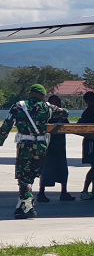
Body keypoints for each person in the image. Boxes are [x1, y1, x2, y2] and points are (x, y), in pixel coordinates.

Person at [0, 84, 69, 219]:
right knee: (31, 174)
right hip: (41, 146)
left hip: (25, 145)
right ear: (42, 96)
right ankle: (22, 203)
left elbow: (7, 124)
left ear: (30, 94)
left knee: (23, 175)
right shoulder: (48, 107)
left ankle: (27, 205)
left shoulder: (19, 106)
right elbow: (65, 112)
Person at [38, 95, 75, 202]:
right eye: (55, 103)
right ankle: (41, 192)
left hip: (60, 146)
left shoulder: (61, 114)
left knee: (63, 169)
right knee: (46, 169)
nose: (58, 106)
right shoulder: (46, 115)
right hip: (49, 146)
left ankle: (64, 192)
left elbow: (67, 124)